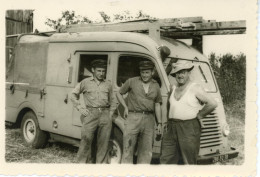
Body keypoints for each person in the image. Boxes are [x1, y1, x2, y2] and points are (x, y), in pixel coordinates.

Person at [160, 60, 218, 164]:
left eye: (183, 72)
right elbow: (168, 106)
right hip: (171, 127)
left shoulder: (195, 88)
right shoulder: (173, 88)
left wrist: (199, 116)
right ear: (175, 75)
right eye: (178, 73)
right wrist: (166, 122)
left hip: (188, 127)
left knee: (188, 161)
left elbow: (212, 103)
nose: (180, 75)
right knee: (166, 159)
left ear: (188, 73)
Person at [116, 60, 162, 164]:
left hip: (149, 119)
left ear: (152, 72)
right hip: (133, 117)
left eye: (147, 72)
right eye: (142, 72)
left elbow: (157, 104)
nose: (144, 75)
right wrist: (125, 107)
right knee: (128, 149)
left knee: (146, 151)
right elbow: (119, 93)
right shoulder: (131, 81)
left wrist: (159, 123)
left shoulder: (156, 85)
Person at [70, 59, 115, 163]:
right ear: (93, 70)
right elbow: (73, 95)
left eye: (103, 71)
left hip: (105, 114)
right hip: (91, 114)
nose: (101, 73)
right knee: (86, 141)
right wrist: (80, 107)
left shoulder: (108, 84)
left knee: (103, 143)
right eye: (99, 70)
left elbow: (113, 100)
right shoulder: (85, 82)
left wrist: (110, 113)